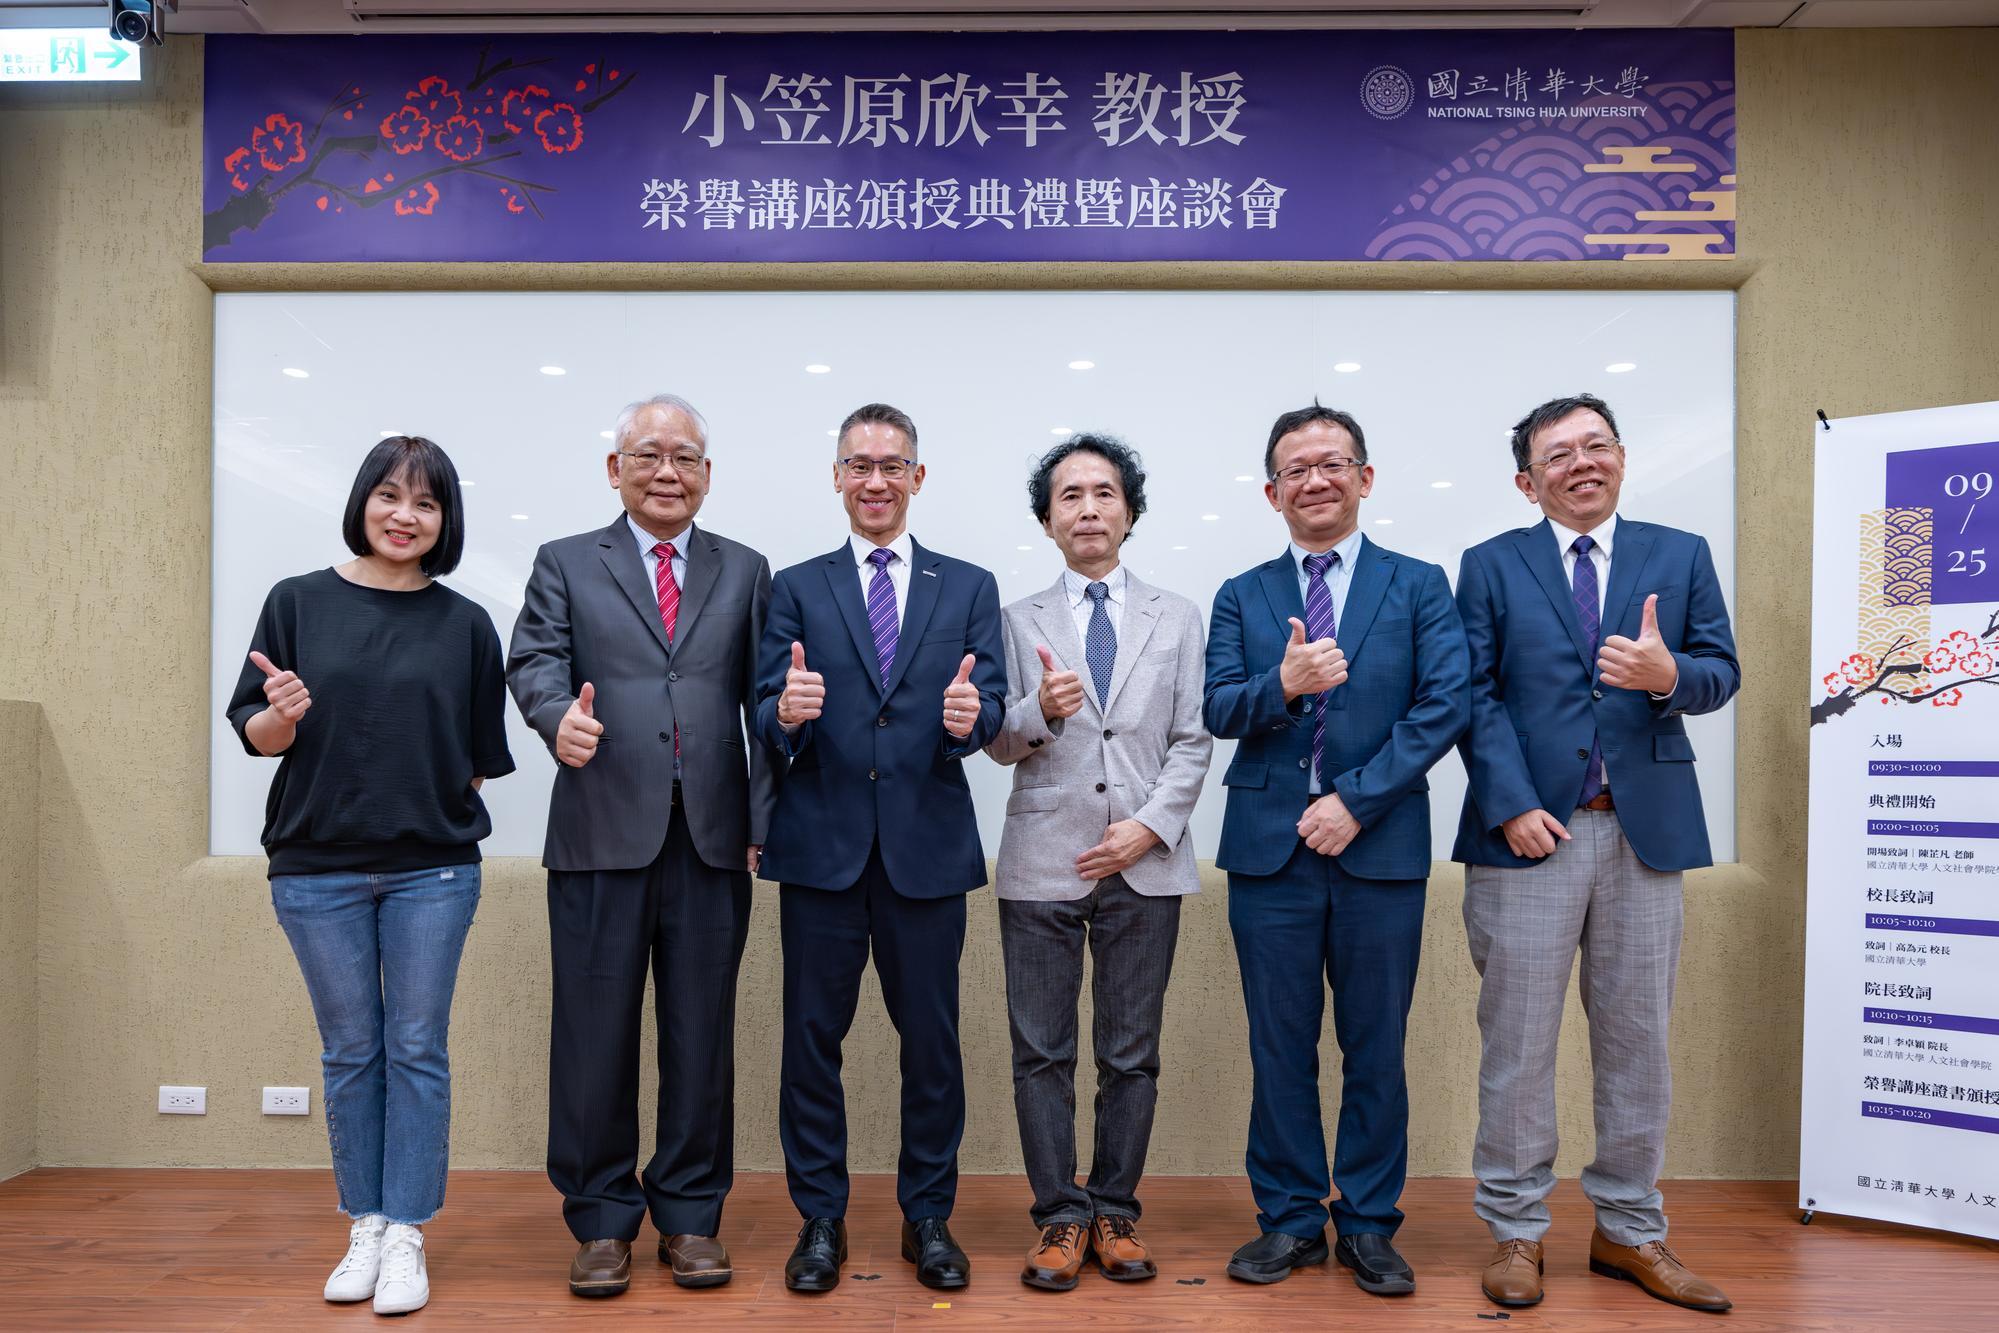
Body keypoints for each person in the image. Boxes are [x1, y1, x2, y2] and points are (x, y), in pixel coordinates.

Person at [1454, 392, 1738, 1313]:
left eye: (1595, 445)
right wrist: (1509, 805)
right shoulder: (1489, 564)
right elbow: (1473, 694)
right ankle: (1515, 1231)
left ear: (1620, 456)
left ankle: (1628, 1229)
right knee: (1518, 1047)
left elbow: (1718, 671)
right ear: (1525, 480)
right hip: (1530, 836)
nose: (1581, 462)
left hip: (1643, 833)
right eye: (1558, 454)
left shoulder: (1678, 553)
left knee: (1636, 1044)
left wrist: (1670, 679)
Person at [226, 435, 514, 1317]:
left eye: (425, 503)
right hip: (315, 869)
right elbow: (255, 733)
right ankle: (365, 1221)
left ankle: (407, 1234)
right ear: (362, 502)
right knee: (353, 1051)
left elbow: (473, 760)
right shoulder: (296, 602)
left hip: (432, 871)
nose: (404, 515)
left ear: (444, 521)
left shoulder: (466, 623)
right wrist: (280, 717)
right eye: (389, 496)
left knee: (417, 1048)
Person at [506, 394, 777, 1298]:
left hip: (709, 838)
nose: (669, 471)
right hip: (596, 831)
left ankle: (692, 1214)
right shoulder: (565, 562)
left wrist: (762, 823)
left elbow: (763, 706)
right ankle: (599, 1219)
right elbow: (533, 660)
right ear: (613, 467)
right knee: (592, 1037)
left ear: (707, 473)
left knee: (701, 1035)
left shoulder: (745, 570)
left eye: (687, 457)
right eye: (650, 454)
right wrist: (555, 719)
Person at [1204, 404, 1469, 1295]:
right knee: (1279, 1045)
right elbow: (1217, 709)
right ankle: (1286, 1219)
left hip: (1379, 845)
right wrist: (1280, 683)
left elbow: (1443, 706)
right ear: (1271, 491)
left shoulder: (1419, 582)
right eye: (1295, 468)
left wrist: (1354, 801)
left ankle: (1365, 1221)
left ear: (1364, 476)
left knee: (1374, 1045)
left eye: (1333, 462)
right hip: (1268, 850)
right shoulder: (1241, 593)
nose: (1315, 480)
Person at [754, 402, 1005, 1295]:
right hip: (819, 848)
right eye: (857, 464)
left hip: (926, 851)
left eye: (891, 464)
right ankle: (819, 1217)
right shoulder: (795, 584)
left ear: (917, 478)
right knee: (809, 1044)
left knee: (931, 1044)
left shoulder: (967, 585)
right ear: (836, 476)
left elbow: (996, 700)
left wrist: (973, 724)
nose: (874, 479)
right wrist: (781, 716)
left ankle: (927, 1215)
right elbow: (761, 706)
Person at [984, 433, 1212, 1291]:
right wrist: (1036, 709)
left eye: (1104, 493)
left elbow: (1192, 741)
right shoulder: (1015, 620)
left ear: (1129, 510)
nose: (1088, 507)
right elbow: (996, 743)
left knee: (1130, 1052)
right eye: (1069, 495)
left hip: (1144, 864)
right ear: (1047, 519)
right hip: (1043, 861)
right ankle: (1057, 1217)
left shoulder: (1177, 615)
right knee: (1040, 1051)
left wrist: (1150, 827)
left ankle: (1114, 1208)